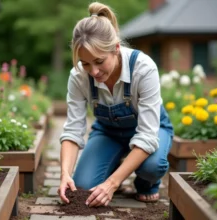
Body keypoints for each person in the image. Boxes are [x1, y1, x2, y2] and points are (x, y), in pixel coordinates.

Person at [58, 1, 174, 208]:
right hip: (108, 132)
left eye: (99, 61)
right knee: (83, 186)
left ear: (116, 49)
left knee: (152, 167)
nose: (93, 71)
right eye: (85, 63)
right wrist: (65, 173)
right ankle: (113, 166)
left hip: (150, 130)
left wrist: (111, 184)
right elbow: (73, 130)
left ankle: (146, 184)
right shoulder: (78, 76)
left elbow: (147, 135)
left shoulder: (143, 68)